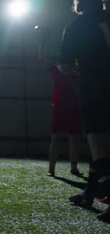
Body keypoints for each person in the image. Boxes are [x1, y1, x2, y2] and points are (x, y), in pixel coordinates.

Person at [58, 0, 110, 221]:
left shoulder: (76, 27)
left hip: (97, 92)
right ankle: (89, 192)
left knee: (100, 150)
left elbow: (65, 66)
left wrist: (77, 71)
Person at [37, 31, 83, 176]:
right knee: (56, 138)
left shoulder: (79, 74)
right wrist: (42, 41)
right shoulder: (59, 72)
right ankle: (51, 169)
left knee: (74, 139)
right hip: (60, 108)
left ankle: (74, 168)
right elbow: (42, 58)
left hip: (75, 109)